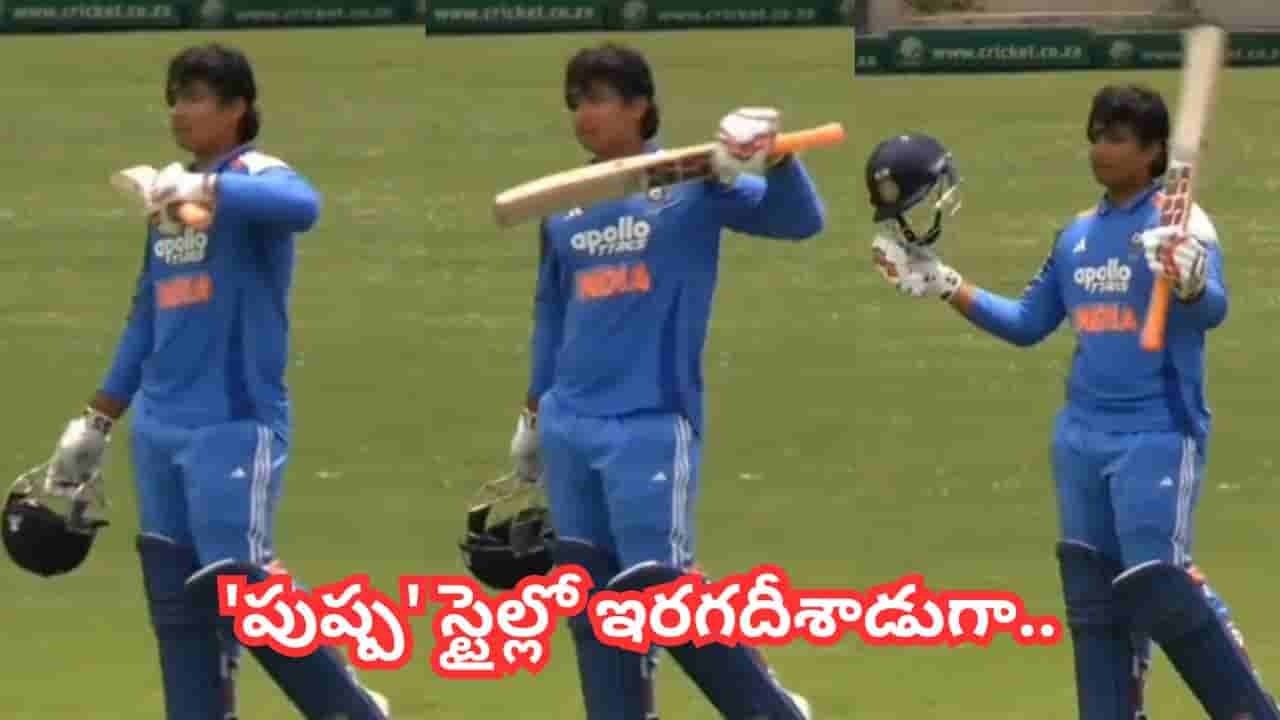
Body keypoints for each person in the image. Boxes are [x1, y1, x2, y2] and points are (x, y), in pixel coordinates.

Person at [866, 86, 1277, 720]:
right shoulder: (1077, 237)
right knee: (1094, 604)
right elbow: (1028, 323)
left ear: (1153, 151)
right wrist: (945, 283)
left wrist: (1191, 282)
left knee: (1161, 584)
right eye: (1096, 136)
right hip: (1081, 439)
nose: (1100, 149)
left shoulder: (1182, 227)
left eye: (1117, 138)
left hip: (1157, 432)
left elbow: (1211, 312)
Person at [39, 43, 389, 720]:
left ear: (237, 109)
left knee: (242, 584)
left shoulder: (253, 174)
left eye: (197, 97)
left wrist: (200, 190)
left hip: (232, 421)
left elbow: (303, 206)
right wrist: (96, 421)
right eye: (175, 98)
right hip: (159, 427)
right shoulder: (167, 199)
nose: (180, 111)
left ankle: (353, 710)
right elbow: (148, 314)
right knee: (178, 606)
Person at [508, 41, 824, 720]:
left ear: (639, 106)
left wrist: (777, 158)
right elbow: (550, 311)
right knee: (590, 601)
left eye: (598, 99)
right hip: (569, 424)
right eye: (575, 102)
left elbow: (801, 221)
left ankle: (771, 710)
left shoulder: (695, 185)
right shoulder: (565, 204)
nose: (583, 115)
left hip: (650, 420)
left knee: (660, 591)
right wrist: (533, 416)